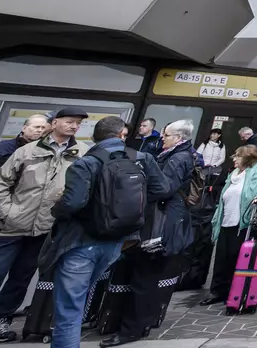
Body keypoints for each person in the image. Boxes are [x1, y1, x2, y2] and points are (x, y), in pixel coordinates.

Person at [44, 116, 167, 348]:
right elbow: (162, 189)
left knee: (70, 308)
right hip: (118, 239)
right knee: (83, 293)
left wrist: (55, 210)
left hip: (80, 241)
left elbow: (72, 204)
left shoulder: (85, 163)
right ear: (122, 134)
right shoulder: (143, 158)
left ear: (94, 138)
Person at [0, 108, 85, 342]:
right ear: (54, 123)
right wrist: (7, 211)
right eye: (69, 121)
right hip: (11, 226)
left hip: (44, 229)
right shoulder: (27, 151)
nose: (74, 126)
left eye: (78, 123)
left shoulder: (81, 153)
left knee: (21, 279)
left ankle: (1, 322)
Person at [102, 120, 196, 347]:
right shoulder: (172, 155)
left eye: (167, 135)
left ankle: (131, 329)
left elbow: (164, 188)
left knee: (145, 276)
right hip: (160, 219)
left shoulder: (178, 158)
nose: (162, 138)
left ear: (179, 138)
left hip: (161, 223)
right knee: (146, 276)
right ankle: (138, 324)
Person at [200, 145, 257, 305]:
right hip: (226, 220)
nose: (234, 158)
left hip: (244, 221)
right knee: (222, 257)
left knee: (238, 257)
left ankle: (236, 291)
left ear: (248, 157)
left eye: (237, 156)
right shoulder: (234, 173)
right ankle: (217, 291)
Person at [0, 114, 49, 253]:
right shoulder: (2, 148)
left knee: (1, 247)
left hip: (17, 206)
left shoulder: (44, 153)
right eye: (36, 127)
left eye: (43, 128)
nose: (39, 130)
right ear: (24, 128)